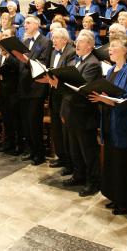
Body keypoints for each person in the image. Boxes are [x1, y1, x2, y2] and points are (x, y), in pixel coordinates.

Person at [89, 36, 127, 215]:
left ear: (126, 50)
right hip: (109, 122)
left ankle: (126, 202)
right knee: (112, 163)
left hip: (124, 125)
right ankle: (114, 196)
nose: (109, 49)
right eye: (109, 47)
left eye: (114, 46)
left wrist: (106, 99)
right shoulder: (111, 69)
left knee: (124, 165)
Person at [48, 30, 102, 197]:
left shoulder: (92, 64)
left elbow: (81, 90)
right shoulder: (75, 61)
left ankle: (93, 182)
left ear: (91, 46)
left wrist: (58, 84)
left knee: (88, 151)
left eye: (82, 42)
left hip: (83, 114)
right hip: (70, 112)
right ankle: (79, 175)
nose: (77, 44)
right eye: (77, 41)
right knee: (75, 149)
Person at [12, 16, 51, 165]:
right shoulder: (24, 41)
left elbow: (42, 64)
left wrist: (25, 60)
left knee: (34, 123)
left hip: (36, 87)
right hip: (23, 87)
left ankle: (39, 154)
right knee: (26, 123)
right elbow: (19, 65)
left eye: (28, 23)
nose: (25, 25)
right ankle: (30, 150)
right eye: (24, 23)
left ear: (37, 25)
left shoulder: (45, 42)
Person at [42, 28, 76, 172]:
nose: (53, 41)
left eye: (56, 38)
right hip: (54, 94)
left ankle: (70, 162)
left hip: (64, 96)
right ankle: (61, 157)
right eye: (52, 38)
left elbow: (69, 74)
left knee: (64, 131)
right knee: (56, 128)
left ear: (64, 39)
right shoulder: (54, 51)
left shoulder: (71, 52)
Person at [0, 29, 22, 154]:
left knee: (16, 120)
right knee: (6, 119)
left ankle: (18, 145)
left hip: (14, 91)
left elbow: (18, 67)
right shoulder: (0, 52)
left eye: (6, 35)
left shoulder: (16, 52)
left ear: (13, 37)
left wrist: (8, 55)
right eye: (3, 35)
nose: (4, 37)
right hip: (3, 90)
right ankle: (8, 143)